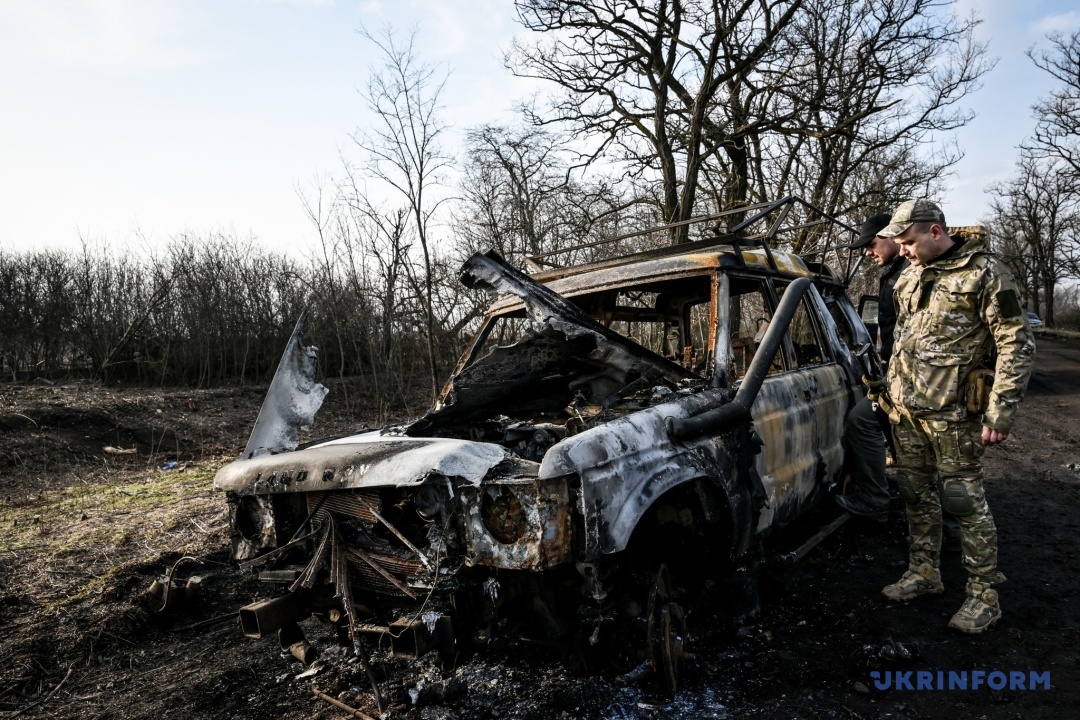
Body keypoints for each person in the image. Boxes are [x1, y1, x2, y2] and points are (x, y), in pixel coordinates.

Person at [876, 199, 1035, 634]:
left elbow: (1016, 345)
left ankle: (984, 594)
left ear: (935, 232)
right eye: (899, 243)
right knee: (914, 492)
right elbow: (904, 338)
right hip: (907, 410)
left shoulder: (985, 272)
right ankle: (924, 572)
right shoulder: (908, 275)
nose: (903, 250)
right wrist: (889, 395)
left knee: (963, 502)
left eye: (908, 242)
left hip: (952, 415)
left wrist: (1000, 412)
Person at [835, 213, 907, 520]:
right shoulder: (895, 272)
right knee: (870, 424)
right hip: (898, 375)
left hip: (915, 380)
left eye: (871, 243)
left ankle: (945, 527)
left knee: (920, 449)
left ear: (892, 235)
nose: (867, 252)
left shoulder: (911, 274)